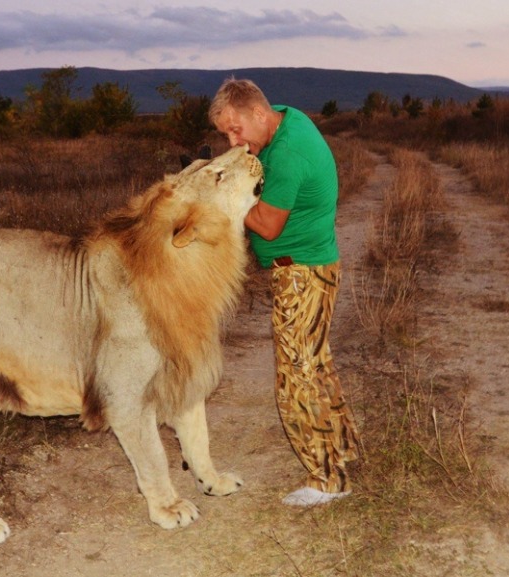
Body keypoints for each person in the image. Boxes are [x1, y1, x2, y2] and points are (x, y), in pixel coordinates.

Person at [209, 78, 360, 507]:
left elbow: (268, 225)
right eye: (226, 134)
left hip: (302, 274)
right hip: (313, 265)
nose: (234, 141)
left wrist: (228, 196)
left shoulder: (288, 153)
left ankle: (327, 480)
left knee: (296, 377)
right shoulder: (282, 118)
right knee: (316, 363)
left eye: (237, 130)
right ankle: (343, 448)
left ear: (259, 114)